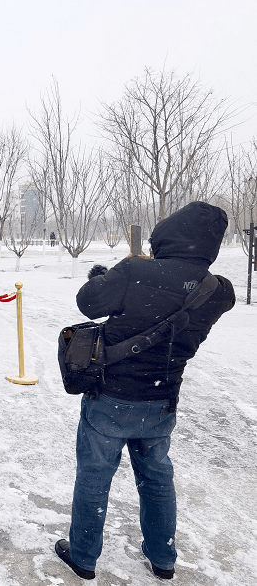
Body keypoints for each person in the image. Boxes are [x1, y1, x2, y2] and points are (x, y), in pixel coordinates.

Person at [54, 202, 236, 581]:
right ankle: (162, 557)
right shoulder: (216, 290)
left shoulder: (136, 271)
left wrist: (107, 273)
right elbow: (214, 295)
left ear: (166, 236)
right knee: (156, 480)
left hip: (110, 398)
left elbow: (88, 301)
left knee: (94, 476)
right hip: (161, 401)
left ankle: (84, 557)